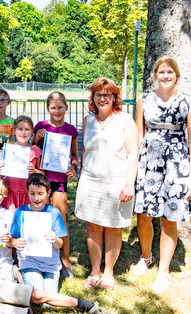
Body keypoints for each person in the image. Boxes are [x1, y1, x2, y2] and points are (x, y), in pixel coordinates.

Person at [133, 56, 191, 293]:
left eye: (170, 72)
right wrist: (134, 168)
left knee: (169, 217)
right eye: (161, 72)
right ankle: (147, 257)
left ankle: (164, 271)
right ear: (155, 74)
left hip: (177, 164)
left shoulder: (187, 101)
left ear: (177, 74)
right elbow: (139, 133)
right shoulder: (143, 99)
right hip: (148, 162)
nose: (165, 76)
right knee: (144, 215)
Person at [75, 77, 138, 290]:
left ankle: (109, 272)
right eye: (98, 94)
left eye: (107, 95)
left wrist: (130, 184)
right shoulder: (88, 120)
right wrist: (82, 174)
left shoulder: (125, 119)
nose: (102, 98)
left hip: (116, 182)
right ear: (93, 97)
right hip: (90, 180)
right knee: (93, 226)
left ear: (114, 98)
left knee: (113, 227)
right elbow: (85, 151)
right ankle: (95, 270)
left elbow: (132, 153)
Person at [33, 91, 79, 277]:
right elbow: (30, 149)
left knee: (60, 218)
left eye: (60, 107)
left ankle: (65, 260)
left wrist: (74, 167)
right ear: (48, 109)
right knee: (40, 218)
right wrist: (36, 138)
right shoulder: (41, 127)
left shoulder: (70, 130)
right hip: (40, 178)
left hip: (59, 179)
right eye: (53, 108)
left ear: (66, 108)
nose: (57, 111)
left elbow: (74, 155)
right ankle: (42, 257)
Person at [10, 173, 67, 294]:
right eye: (32, 193)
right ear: (27, 192)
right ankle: (18, 271)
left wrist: (56, 240)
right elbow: (12, 240)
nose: (36, 198)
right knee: (39, 294)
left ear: (48, 193)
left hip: (51, 263)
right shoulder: (20, 212)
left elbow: (60, 244)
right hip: (29, 261)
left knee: (48, 300)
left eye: (40, 194)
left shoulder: (54, 212)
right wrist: (16, 243)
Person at [0, 115, 43, 212]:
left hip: (28, 195)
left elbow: (43, 175)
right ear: (14, 131)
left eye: (27, 129)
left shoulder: (35, 151)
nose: (23, 133)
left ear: (32, 132)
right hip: (10, 194)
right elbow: (1, 174)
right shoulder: (7, 149)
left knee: (26, 222)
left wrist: (34, 171)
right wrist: (0, 168)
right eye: (20, 129)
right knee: (11, 222)